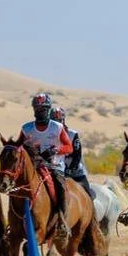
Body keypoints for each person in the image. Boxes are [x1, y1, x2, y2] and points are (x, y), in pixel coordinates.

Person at [20, 93, 74, 240]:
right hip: (34, 168)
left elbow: (69, 147)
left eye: (43, 109)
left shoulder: (57, 127)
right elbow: (20, 148)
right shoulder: (27, 128)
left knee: (60, 187)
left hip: (54, 166)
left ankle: (62, 221)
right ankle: (13, 224)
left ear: (48, 110)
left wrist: (55, 150)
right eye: (37, 109)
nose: (40, 112)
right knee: (16, 186)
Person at [52, 106, 92, 198]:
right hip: (58, 172)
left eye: (59, 120)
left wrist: (70, 170)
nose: (57, 124)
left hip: (76, 173)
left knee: (88, 196)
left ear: (63, 120)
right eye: (54, 122)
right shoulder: (49, 136)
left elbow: (77, 155)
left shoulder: (72, 134)